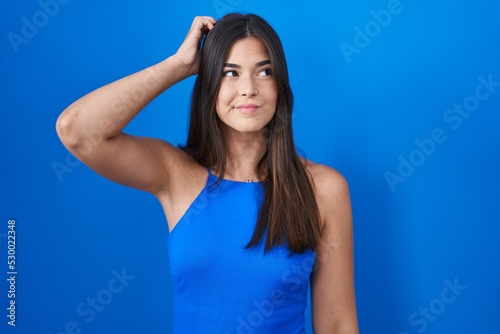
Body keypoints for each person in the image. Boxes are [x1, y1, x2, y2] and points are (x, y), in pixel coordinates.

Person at [56, 13, 358, 334]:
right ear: (209, 83)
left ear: (279, 85)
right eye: (230, 73)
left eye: (264, 72)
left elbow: (338, 325)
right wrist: (179, 66)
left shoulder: (323, 189)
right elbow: (76, 130)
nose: (248, 89)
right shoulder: (174, 173)